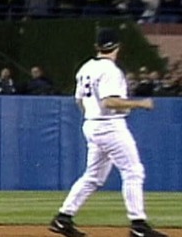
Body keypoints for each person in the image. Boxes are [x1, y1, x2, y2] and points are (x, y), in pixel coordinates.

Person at [49, 28, 168, 237]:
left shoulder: (85, 68)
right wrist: (140, 104)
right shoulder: (111, 70)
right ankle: (138, 225)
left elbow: (79, 101)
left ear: (97, 47)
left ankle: (63, 218)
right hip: (110, 126)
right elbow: (109, 101)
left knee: (93, 177)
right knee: (133, 171)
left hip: (92, 125)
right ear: (117, 47)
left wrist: (93, 117)